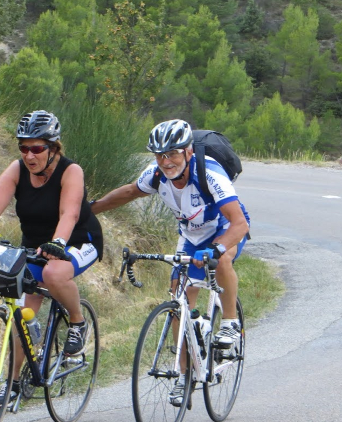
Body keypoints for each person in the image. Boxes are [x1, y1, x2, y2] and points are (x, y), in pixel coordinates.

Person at [90, 119, 249, 406]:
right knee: (178, 302)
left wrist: (216, 248)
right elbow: (128, 192)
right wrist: (91, 210)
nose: (166, 161)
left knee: (221, 260)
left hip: (223, 229)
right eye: (160, 155)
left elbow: (239, 224)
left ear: (188, 151)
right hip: (190, 235)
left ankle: (229, 323)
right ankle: (183, 374)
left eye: (173, 153)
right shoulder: (156, 175)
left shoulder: (209, 173)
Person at [0, 110, 103, 408]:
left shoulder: (71, 171)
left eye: (37, 148)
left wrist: (57, 243)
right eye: (24, 148)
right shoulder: (18, 169)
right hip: (35, 247)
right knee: (21, 316)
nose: (29, 155)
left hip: (77, 240)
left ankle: (77, 322)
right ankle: (14, 383)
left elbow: (69, 213)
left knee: (55, 275)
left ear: (54, 147)